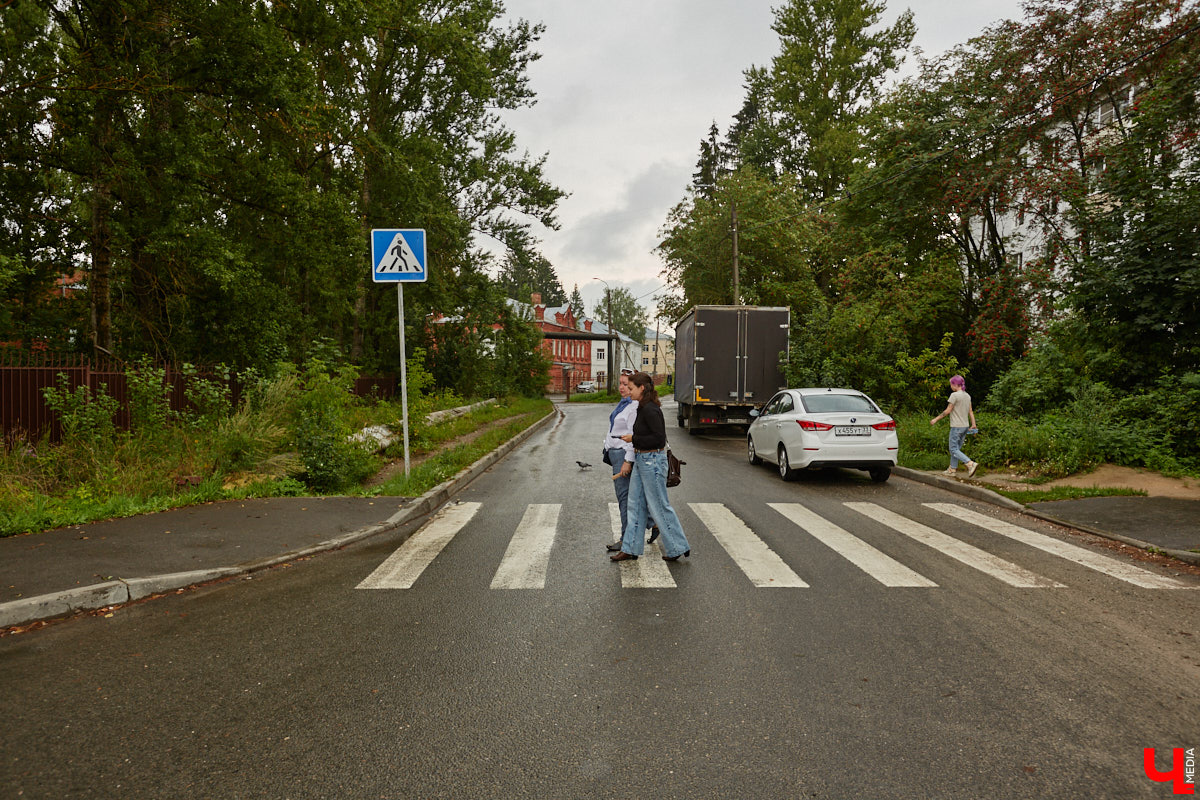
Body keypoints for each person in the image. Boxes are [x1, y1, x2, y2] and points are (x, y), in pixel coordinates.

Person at [611, 372, 691, 562]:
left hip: (652, 461)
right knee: (635, 505)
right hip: (641, 460)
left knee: (658, 506)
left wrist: (634, 439)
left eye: (631, 388)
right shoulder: (641, 407)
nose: (628, 392)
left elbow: (658, 438)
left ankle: (678, 546)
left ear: (642, 388)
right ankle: (630, 548)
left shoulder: (651, 410)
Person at [602, 369, 657, 551]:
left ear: (639, 388)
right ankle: (653, 522)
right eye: (621, 384)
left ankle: (626, 538)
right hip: (615, 453)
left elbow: (633, 436)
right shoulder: (624, 403)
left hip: (622, 455)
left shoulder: (634, 407)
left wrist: (627, 460)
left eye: (627, 385)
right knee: (632, 496)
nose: (623, 388)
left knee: (625, 498)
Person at [930, 375, 978, 477]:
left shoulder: (954, 395)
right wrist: (973, 424)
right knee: (956, 449)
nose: (951, 386)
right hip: (965, 426)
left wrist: (935, 419)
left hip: (956, 426)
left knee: (953, 449)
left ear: (955, 384)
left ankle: (970, 463)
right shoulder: (967, 396)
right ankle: (952, 469)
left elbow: (948, 410)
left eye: (951, 384)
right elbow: (970, 411)